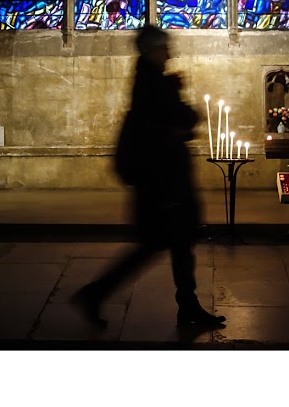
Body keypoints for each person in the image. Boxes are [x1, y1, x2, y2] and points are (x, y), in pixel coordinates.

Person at [74, 24, 226, 328]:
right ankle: (95, 293)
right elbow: (180, 119)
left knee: (173, 245)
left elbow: (174, 122)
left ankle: (187, 307)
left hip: (163, 182)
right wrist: (181, 109)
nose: (170, 53)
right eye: (165, 48)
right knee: (157, 246)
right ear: (154, 50)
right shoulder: (153, 84)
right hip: (164, 184)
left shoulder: (150, 81)